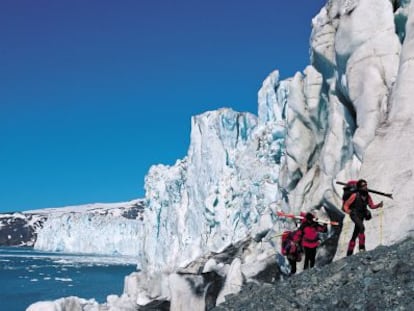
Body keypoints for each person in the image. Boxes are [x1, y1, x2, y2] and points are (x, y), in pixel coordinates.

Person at [343, 179, 383, 256]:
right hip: (354, 214)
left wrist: (378, 205)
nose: (365, 187)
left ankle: (349, 253)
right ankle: (362, 248)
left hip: (361, 215)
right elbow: (346, 205)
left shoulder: (367, 196)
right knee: (361, 228)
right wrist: (349, 212)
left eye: (366, 185)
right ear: (359, 187)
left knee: (355, 233)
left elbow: (371, 206)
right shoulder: (354, 195)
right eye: (363, 186)